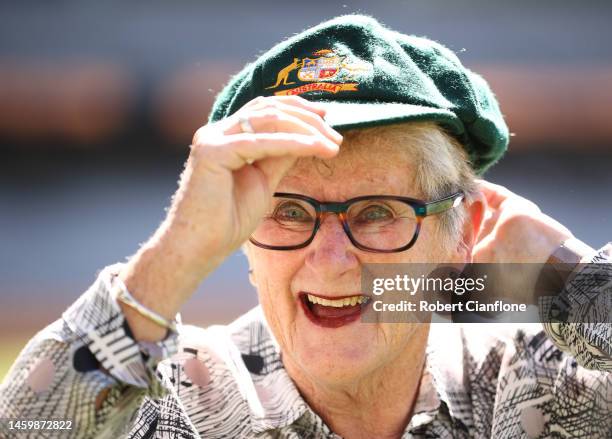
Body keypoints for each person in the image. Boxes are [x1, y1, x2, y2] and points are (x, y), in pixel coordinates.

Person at [1, 15, 610, 439]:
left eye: (376, 214)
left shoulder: (534, 385)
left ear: (461, 235)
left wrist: (571, 276)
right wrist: (175, 257)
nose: (330, 259)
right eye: (289, 212)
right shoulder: (180, 402)